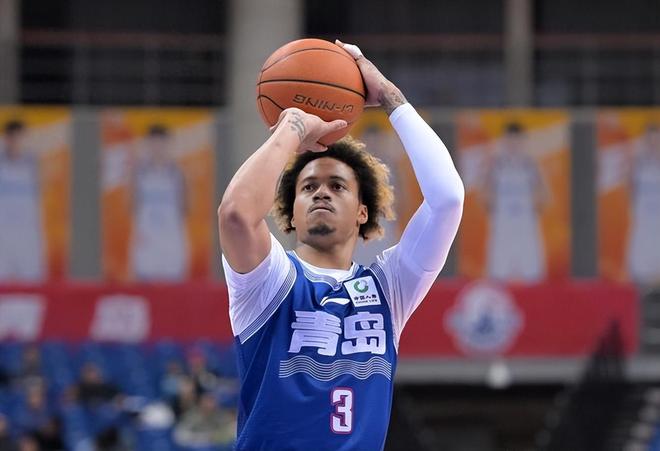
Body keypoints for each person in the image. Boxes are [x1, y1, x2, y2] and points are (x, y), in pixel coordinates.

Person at [218, 40, 464, 450]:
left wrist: (390, 97)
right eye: (308, 187)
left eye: (337, 186)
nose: (321, 192)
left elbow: (448, 199)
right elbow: (236, 215)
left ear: (362, 212)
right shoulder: (269, 281)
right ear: (291, 212)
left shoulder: (390, 289)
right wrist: (293, 128)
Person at [480, 122, 549, 282]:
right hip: (502, 228)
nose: (513, 144)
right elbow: (484, 195)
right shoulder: (496, 166)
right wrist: (494, 212)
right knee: (498, 276)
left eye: (516, 140)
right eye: (509, 140)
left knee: (532, 276)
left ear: (523, 141)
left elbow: (544, 194)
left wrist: (532, 212)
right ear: (504, 141)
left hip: (525, 228)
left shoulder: (531, 165)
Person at [130, 124, 189, 281]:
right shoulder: (139, 174)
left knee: (173, 285)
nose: (158, 148)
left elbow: (186, 207)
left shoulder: (178, 174)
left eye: (161, 143)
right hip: (147, 239)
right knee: (145, 283)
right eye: (154, 143)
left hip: (171, 239)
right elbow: (131, 206)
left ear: (168, 144)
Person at [0, 120, 45, 282]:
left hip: (27, 233)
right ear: (7, 139)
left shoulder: (33, 163)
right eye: (15, 138)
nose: (18, 143)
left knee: (32, 279)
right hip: (3, 233)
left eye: (22, 138)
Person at [627, 123, 660, 284]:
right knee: (641, 280)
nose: (654, 145)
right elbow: (629, 192)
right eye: (650, 141)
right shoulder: (638, 167)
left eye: (657, 141)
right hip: (643, 234)